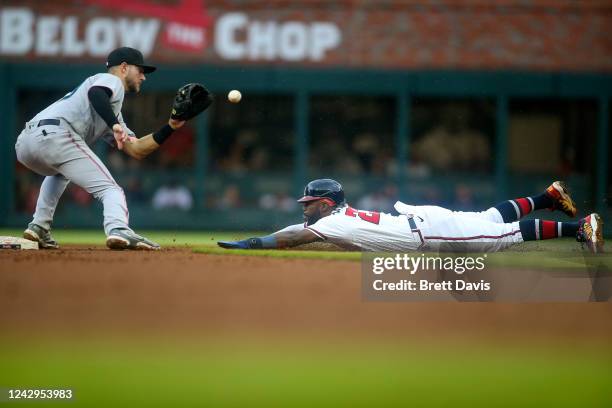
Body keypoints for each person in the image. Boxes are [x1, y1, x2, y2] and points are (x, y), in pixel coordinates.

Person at [15, 47, 187, 250]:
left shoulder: (111, 110)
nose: (143, 77)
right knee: (111, 189)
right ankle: (118, 229)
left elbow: (137, 149)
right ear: (123, 68)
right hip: (56, 134)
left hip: (27, 143)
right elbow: (96, 94)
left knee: (59, 173)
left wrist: (171, 127)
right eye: (140, 70)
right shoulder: (111, 81)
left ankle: (39, 227)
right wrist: (113, 124)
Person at [218, 179, 604, 254]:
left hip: (428, 231)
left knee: (501, 235)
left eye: (309, 203)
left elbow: (289, 238)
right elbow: (294, 230)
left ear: (325, 203)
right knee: (488, 217)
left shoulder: (330, 223)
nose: (304, 207)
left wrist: (249, 244)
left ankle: (578, 228)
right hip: (421, 220)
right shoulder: (331, 218)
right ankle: (548, 196)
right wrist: (249, 240)